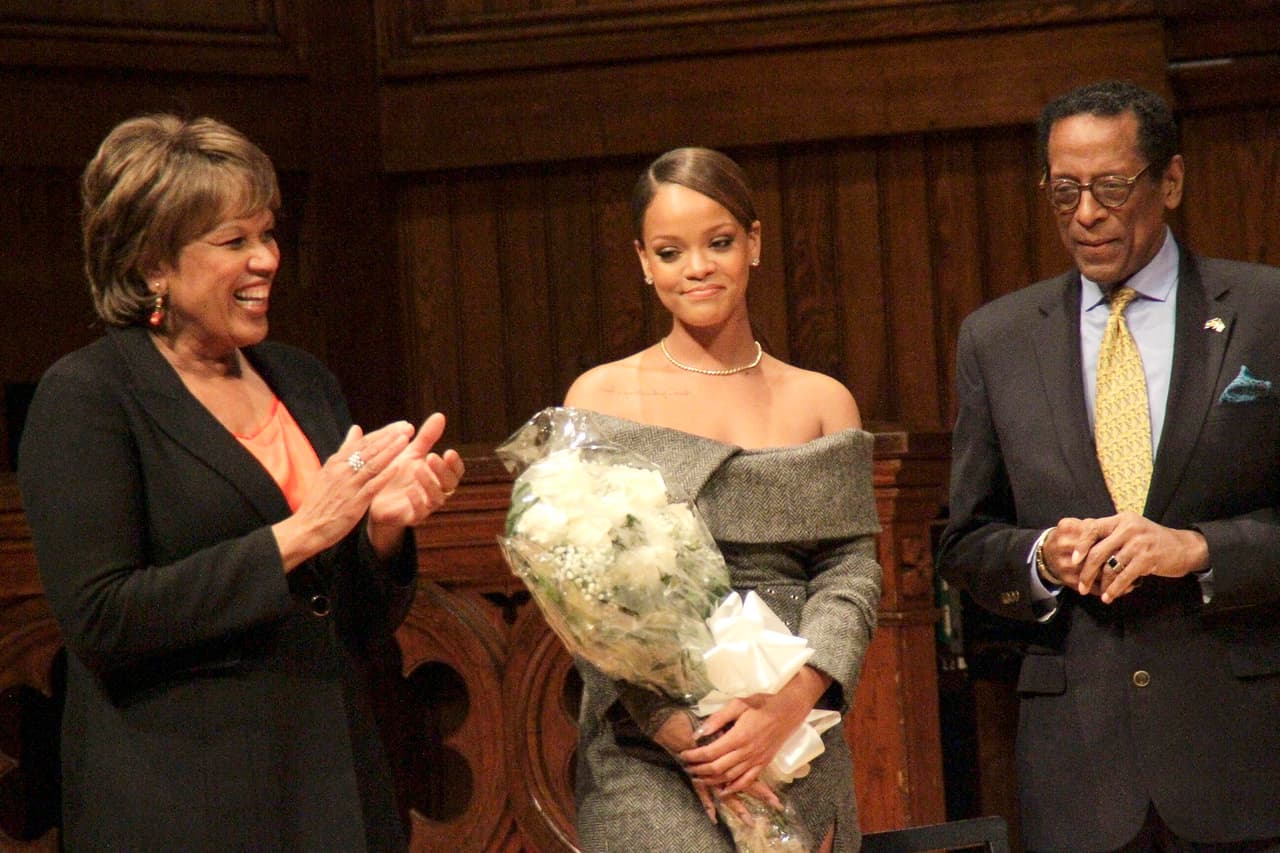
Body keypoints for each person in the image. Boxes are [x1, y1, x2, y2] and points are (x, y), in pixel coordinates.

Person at [17, 114, 465, 851]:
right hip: (185, 801)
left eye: (267, 233)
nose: (265, 260)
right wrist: (300, 532)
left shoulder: (303, 381)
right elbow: (103, 618)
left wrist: (381, 532)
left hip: (330, 788)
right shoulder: (90, 397)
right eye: (234, 242)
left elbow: (347, 618)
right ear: (152, 264)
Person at [936, 80, 1280, 852]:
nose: (1086, 214)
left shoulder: (1267, 313)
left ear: (1172, 181)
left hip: (1241, 757)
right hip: (1078, 769)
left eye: (1111, 188)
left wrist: (1199, 549)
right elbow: (966, 541)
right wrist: (1040, 558)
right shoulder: (996, 339)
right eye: (1065, 192)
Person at [563, 147, 883, 853]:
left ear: (755, 243)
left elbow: (850, 573)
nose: (698, 267)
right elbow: (578, 595)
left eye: (719, 242)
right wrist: (681, 729)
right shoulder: (599, 397)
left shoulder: (822, 402)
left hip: (796, 732)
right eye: (671, 251)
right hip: (645, 740)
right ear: (643, 260)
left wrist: (791, 700)